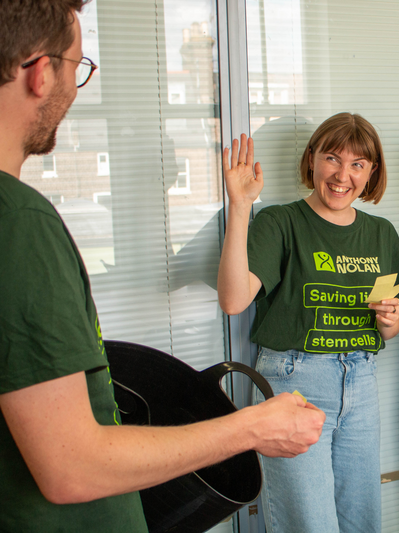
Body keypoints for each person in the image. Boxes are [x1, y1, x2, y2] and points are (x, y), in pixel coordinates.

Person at [0, 2, 325, 531]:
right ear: (41, 72)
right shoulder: (19, 221)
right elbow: (72, 466)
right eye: (79, 68)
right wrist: (250, 428)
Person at [217, 113, 399, 533]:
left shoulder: (381, 233)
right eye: (332, 158)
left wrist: (389, 320)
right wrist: (240, 207)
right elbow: (234, 300)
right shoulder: (280, 222)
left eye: (358, 164)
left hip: (361, 383)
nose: (342, 175)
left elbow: (391, 329)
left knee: (363, 522)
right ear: (312, 161)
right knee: (309, 525)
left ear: (371, 173)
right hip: (296, 384)